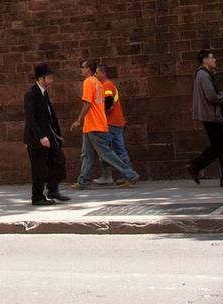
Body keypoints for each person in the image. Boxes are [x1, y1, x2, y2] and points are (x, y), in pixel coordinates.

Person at [71, 56, 137, 189]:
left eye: (83, 67)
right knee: (87, 154)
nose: (81, 70)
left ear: (88, 69)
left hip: (94, 125)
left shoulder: (89, 82)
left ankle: (130, 174)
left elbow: (88, 103)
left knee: (106, 154)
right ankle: (83, 180)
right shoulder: (99, 84)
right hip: (94, 125)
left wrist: (79, 120)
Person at [187, 49, 223, 188]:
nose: (214, 59)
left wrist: (222, 94)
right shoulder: (204, 75)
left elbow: (212, 93)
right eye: (212, 57)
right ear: (205, 60)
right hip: (213, 116)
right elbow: (211, 96)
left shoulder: (203, 74)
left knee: (218, 146)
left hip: (210, 115)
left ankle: (195, 166)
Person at [22, 63, 68, 206]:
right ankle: (37, 197)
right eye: (49, 77)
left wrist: (57, 136)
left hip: (49, 135)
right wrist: (41, 137)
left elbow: (49, 117)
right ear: (41, 78)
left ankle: (52, 189)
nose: (51, 80)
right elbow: (31, 118)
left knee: (59, 160)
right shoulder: (31, 94)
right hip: (36, 138)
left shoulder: (44, 93)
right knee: (39, 167)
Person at [98, 63, 134, 184]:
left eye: (97, 73)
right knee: (117, 149)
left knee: (106, 149)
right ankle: (127, 175)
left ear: (103, 73)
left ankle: (110, 176)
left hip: (111, 123)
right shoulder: (108, 85)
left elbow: (108, 103)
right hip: (117, 122)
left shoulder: (106, 85)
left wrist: (99, 113)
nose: (96, 75)